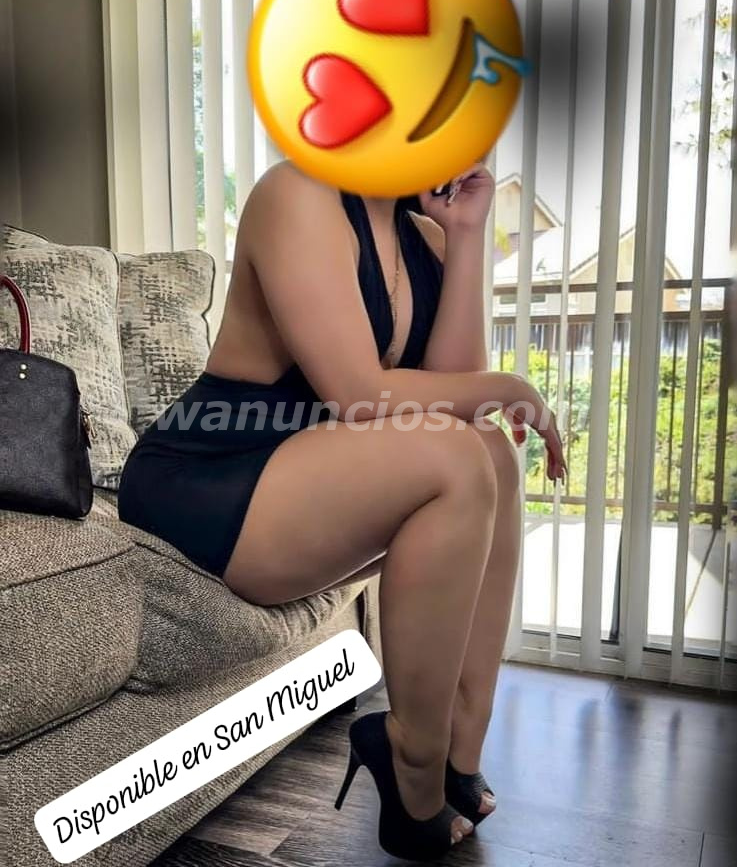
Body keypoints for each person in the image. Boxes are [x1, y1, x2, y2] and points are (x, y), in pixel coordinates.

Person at [118, 157, 567, 861]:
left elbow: (457, 395)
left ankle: (458, 749)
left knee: (490, 452)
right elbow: (357, 393)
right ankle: (409, 758)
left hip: (308, 469)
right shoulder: (298, 194)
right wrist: (512, 384)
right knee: (455, 455)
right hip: (210, 473)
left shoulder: (427, 235)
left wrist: (466, 235)